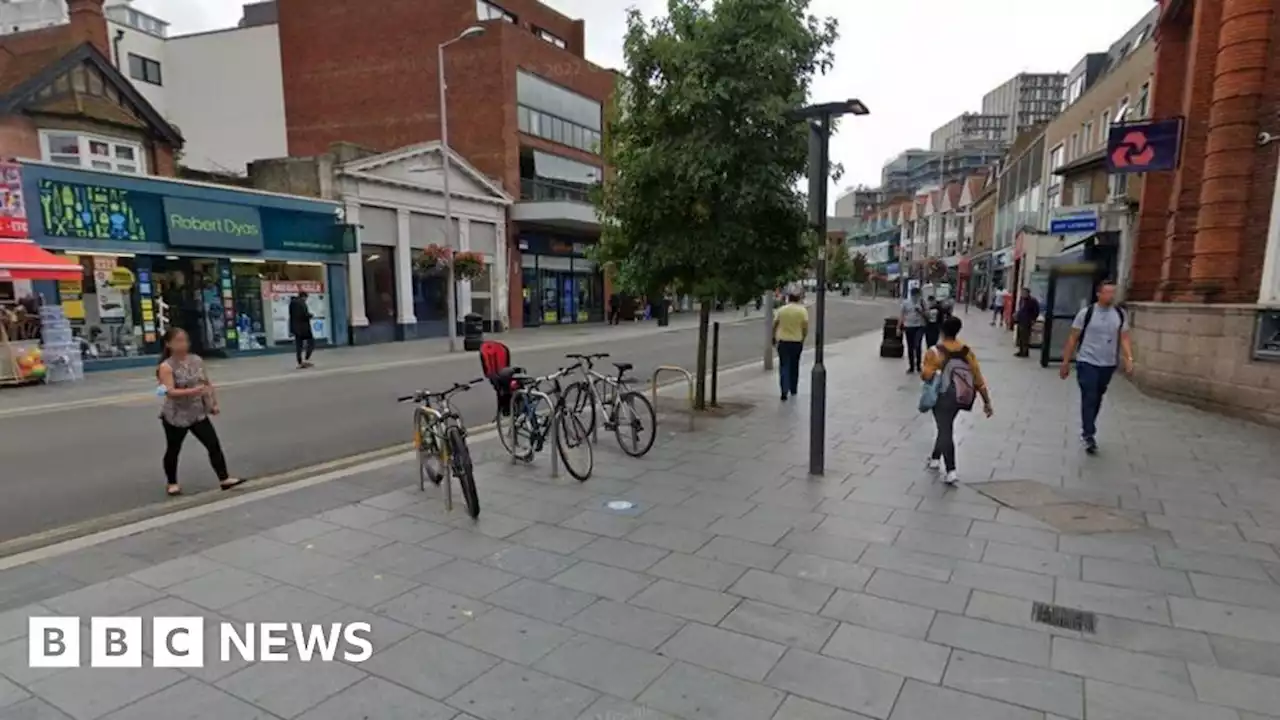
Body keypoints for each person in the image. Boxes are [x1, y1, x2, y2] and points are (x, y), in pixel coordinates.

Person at [156, 328, 242, 496]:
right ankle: (172, 482)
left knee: (213, 444)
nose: (183, 344)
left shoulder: (196, 360)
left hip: (197, 412)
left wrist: (213, 403)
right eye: (179, 341)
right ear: (169, 344)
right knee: (173, 449)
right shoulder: (166, 366)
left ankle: (224, 478)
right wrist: (194, 391)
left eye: (185, 340)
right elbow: (169, 392)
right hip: (175, 415)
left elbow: (206, 383)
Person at [1058, 282, 1134, 454]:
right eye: (1107, 292)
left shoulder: (1119, 314)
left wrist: (1129, 358)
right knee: (1089, 395)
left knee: (1098, 396)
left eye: (1113, 292)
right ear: (1099, 294)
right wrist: (1066, 362)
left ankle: (1089, 425)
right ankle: (1088, 434)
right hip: (1087, 361)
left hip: (1107, 363)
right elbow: (1073, 338)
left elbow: (1124, 337)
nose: (1111, 296)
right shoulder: (1086, 313)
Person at [921, 316, 993, 484]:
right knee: (945, 426)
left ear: (942, 331)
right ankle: (934, 458)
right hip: (961, 396)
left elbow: (925, 375)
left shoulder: (934, 352)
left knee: (945, 429)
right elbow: (978, 379)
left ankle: (951, 470)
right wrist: (986, 402)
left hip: (941, 396)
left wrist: (934, 373)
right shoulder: (967, 352)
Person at [773, 292, 808, 401]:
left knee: (784, 365)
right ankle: (793, 388)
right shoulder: (802, 311)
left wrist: (773, 336)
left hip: (783, 341)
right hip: (796, 341)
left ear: (788, 299)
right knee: (794, 365)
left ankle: (784, 390)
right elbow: (805, 327)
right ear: (798, 299)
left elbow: (775, 324)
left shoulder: (781, 310)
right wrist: (803, 337)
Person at [898, 287, 927, 374]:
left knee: (917, 345)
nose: (915, 297)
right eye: (914, 295)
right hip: (909, 326)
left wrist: (920, 311)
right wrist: (899, 327)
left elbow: (927, 314)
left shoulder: (922, 302)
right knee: (910, 347)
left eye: (917, 295)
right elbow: (902, 316)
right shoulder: (905, 303)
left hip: (920, 326)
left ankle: (918, 366)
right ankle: (911, 366)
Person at [289, 291, 315, 369]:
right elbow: (303, 315)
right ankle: (306, 358)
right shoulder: (301, 303)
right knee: (311, 342)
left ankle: (300, 362)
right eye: (306, 298)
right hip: (303, 327)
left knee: (299, 345)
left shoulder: (292, 303)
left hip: (296, 327)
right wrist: (310, 315)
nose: (306, 299)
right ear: (304, 297)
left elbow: (293, 315)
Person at [1014, 288, 1040, 358]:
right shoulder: (1022, 300)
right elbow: (1020, 309)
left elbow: (1036, 311)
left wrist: (1033, 319)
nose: (1022, 294)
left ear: (1028, 293)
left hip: (1027, 321)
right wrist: (1017, 315)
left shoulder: (1032, 301)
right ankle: (1021, 350)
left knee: (1025, 337)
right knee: (1020, 337)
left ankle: (1025, 352)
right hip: (1021, 320)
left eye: (1024, 292)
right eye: (1022, 292)